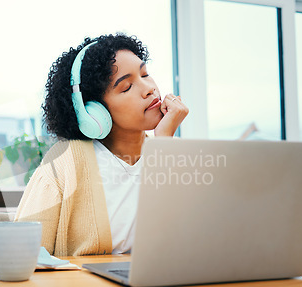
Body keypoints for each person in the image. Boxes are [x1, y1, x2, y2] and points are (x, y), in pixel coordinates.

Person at [15, 34, 188, 256]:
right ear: (93, 113)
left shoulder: (176, 149)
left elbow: (183, 244)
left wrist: (164, 145)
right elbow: (22, 254)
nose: (149, 89)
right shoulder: (65, 161)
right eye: (126, 87)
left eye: (145, 74)